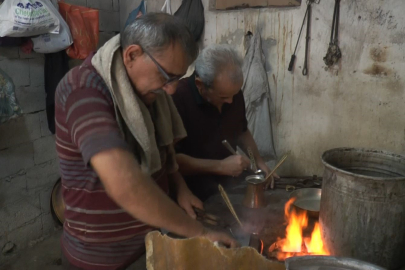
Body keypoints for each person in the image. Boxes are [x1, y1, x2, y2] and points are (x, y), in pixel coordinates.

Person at [55, 14, 237, 270]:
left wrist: (180, 187)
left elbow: (163, 152)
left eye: (177, 78)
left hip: (147, 247)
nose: (171, 90)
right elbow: (124, 184)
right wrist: (200, 233)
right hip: (98, 260)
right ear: (131, 55)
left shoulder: (148, 92)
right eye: (167, 76)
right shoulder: (83, 91)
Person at [172, 44, 276, 201]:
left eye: (234, 95)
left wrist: (259, 161)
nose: (231, 101)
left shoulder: (232, 92)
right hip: (191, 192)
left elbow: (241, 131)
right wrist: (220, 166)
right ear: (200, 85)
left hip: (229, 186)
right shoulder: (177, 98)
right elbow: (171, 160)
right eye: (223, 97)